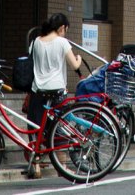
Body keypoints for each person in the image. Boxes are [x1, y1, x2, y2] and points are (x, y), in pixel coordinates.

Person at [27, 12, 82, 177]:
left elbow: (31, 60)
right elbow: (74, 65)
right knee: (60, 128)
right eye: (66, 30)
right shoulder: (62, 42)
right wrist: (79, 58)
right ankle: (62, 166)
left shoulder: (36, 41)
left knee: (35, 127)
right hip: (57, 91)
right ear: (62, 28)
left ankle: (36, 166)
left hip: (38, 90)